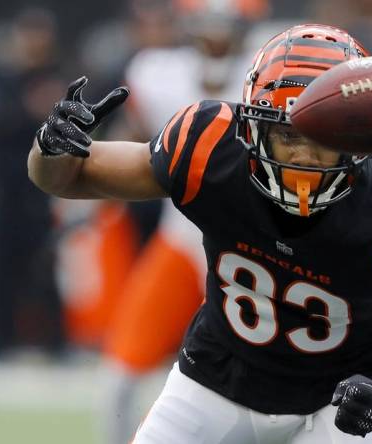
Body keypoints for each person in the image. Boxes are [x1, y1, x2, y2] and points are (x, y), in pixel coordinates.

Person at [28, 24, 372, 443]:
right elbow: (67, 179)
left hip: (341, 401)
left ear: (357, 138)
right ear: (252, 127)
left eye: (322, 139)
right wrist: (50, 148)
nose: (303, 158)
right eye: (287, 136)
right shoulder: (209, 147)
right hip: (219, 381)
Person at [100, 1, 266, 442]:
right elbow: (133, 141)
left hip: (249, 243)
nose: (215, 36)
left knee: (270, 373)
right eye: (207, 25)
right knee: (123, 364)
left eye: (224, 25)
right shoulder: (156, 70)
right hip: (179, 235)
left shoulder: (270, 73)